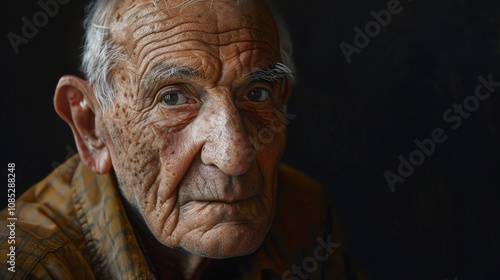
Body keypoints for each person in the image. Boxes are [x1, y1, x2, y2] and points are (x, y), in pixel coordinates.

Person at [0, 0, 364, 279]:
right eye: (172, 97)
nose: (233, 156)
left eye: (256, 93)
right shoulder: (24, 264)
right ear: (91, 126)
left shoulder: (305, 214)